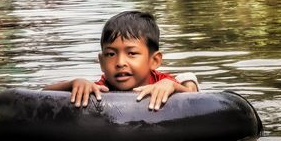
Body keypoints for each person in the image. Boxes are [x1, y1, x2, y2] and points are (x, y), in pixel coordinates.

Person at [44, 11, 199, 111]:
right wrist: (72, 84)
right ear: (101, 62)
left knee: (187, 80)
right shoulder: (102, 89)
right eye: (111, 54)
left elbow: (196, 101)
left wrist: (173, 86)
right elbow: (43, 95)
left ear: (154, 60)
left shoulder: (162, 82)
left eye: (131, 53)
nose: (120, 62)